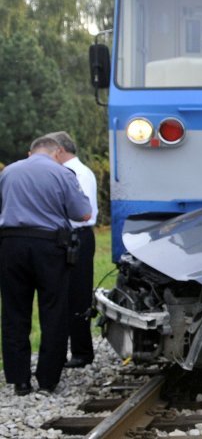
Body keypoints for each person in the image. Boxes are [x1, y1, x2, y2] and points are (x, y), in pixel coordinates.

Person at [0, 136, 91, 396]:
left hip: (10, 246)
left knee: (14, 312)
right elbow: (83, 214)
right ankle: (48, 379)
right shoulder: (62, 173)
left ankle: (19, 380)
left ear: (31, 152)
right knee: (53, 311)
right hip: (50, 247)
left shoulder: (8, 172)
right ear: (56, 152)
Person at [48, 131, 98, 369]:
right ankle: (75, 349)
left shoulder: (77, 173)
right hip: (73, 236)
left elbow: (81, 210)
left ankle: (81, 351)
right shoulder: (74, 171)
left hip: (77, 235)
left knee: (77, 294)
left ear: (59, 150)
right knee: (69, 294)